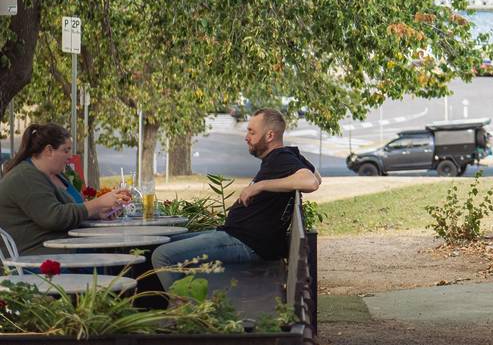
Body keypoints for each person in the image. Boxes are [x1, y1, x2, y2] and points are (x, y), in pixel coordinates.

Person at [152, 109, 320, 287]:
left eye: (252, 132)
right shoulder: (286, 155)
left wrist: (260, 185)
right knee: (162, 242)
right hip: (237, 236)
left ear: (270, 135)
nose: (246, 137)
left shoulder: (281, 157)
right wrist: (297, 158)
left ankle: (185, 311)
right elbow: (317, 177)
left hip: (246, 242)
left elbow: (311, 182)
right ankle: (183, 301)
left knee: (162, 255)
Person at [0, 123, 130, 254]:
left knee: (124, 249)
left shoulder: (56, 174)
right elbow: (54, 217)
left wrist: (98, 213)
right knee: (120, 253)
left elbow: (72, 209)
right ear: (49, 150)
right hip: (38, 259)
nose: (70, 156)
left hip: (66, 248)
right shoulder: (25, 177)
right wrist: (99, 203)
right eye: (66, 150)